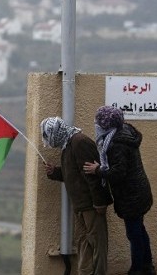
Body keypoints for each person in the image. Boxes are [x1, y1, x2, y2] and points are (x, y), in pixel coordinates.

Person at [83, 106, 155, 275]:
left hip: (132, 196)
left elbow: (118, 173)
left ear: (106, 125)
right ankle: (147, 266)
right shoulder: (124, 132)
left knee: (134, 234)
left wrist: (98, 170)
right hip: (139, 192)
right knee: (139, 230)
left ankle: (138, 269)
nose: (95, 124)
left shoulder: (116, 144)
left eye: (98, 121)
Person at [40, 117, 113, 275]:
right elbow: (73, 174)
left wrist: (100, 203)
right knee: (83, 242)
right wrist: (55, 172)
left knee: (97, 244)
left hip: (91, 205)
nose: (49, 141)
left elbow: (93, 176)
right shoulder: (68, 145)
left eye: (49, 136)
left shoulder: (79, 142)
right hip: (80, 205)